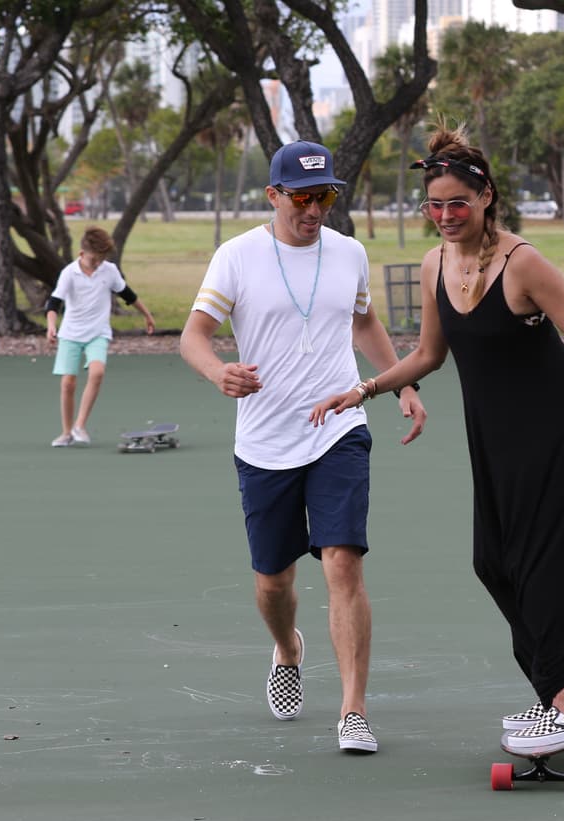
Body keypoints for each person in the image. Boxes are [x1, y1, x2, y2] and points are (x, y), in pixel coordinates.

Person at [309, 125, 564, 757]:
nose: (446, 216)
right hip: (498, 431)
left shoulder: (523, 262)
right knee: (494, 562)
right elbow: (429, 355)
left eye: (458, 202)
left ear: (487, 199)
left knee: (543, 564)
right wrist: (365, 389)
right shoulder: (433, 265)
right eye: (435, 205)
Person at [180, 140, 426, 754]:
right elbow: (194, 336)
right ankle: (288, 647)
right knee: (273, 582)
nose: (316, 209)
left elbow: (364, 321)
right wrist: (218, 372)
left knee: (343, 561)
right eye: (303, 197)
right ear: (273, 195)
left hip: (339, 427)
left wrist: (402, 385)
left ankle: (353, 710)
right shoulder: (236, 257)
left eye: (326, 196)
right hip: (264, 440)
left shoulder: (349, 253)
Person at [46, 226, 155, 447]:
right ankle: (67, 433)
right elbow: (54, 303)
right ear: (81, 253)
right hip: (71, 334)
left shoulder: (109, 271)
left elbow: (128, 295)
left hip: (98, 333)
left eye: (101, 259)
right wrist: (50, 326)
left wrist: (147, 315)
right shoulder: (69, 273)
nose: (98, 263)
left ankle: (80, 425)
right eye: (94, 259)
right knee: (68, 383)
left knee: (97, 372)